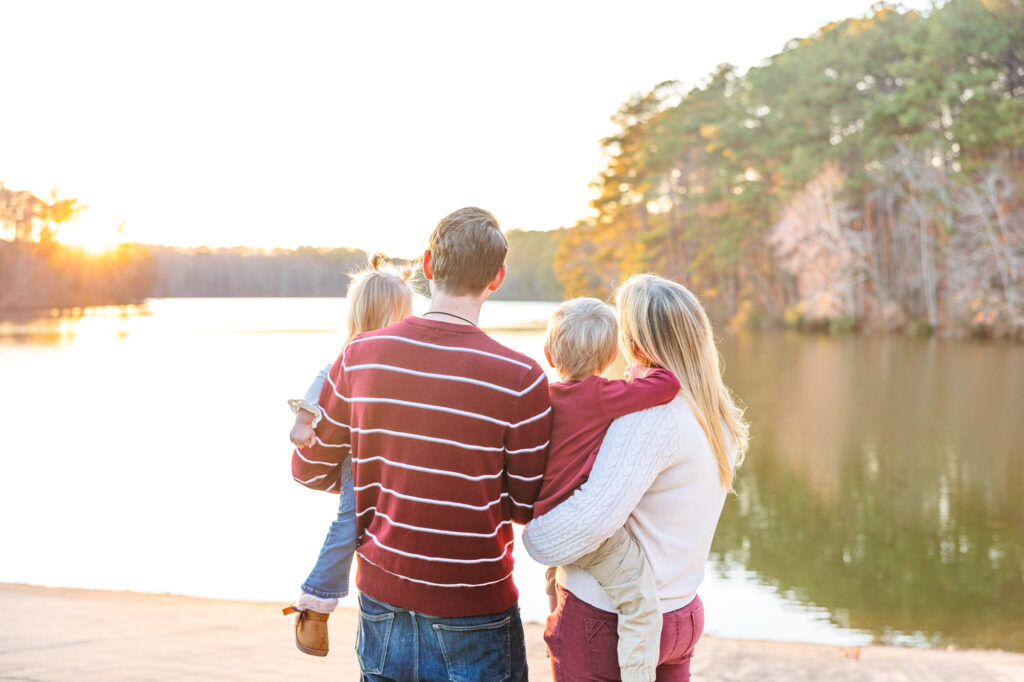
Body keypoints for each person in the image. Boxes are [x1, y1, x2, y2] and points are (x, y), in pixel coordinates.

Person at [291, 207, 551, 681]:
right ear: (498, 277)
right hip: (475, 611)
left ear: (428, 266)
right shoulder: (522, 379)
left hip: (382, 605)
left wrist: (380, 472)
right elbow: (525, 502)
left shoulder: (359, 357)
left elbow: (308, 469)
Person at [523, 273, 749, 682]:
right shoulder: (717, 417)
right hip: (681, 613)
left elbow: (590, 520)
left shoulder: (650, 420)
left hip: (607, 620)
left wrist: (535, 537)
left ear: (634, 345)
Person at [534, 296, 681, 682]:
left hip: (547, 516)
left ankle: (557, 620)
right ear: (612, 352)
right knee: (640, 604)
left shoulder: (540, 400)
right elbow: (668, 384)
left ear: (549, 354)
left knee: (557, 578)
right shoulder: (603, 395)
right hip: (588, 531)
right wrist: (635, 374)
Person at [282, 253, 414, 657]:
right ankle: (315, 601)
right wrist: (304, 420)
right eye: (405, 314)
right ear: (386, 315)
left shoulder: (404, 354)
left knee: (383, 521)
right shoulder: (354, 352)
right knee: (351, 521)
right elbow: (324, 380)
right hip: (357, 458)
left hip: (392, 457)